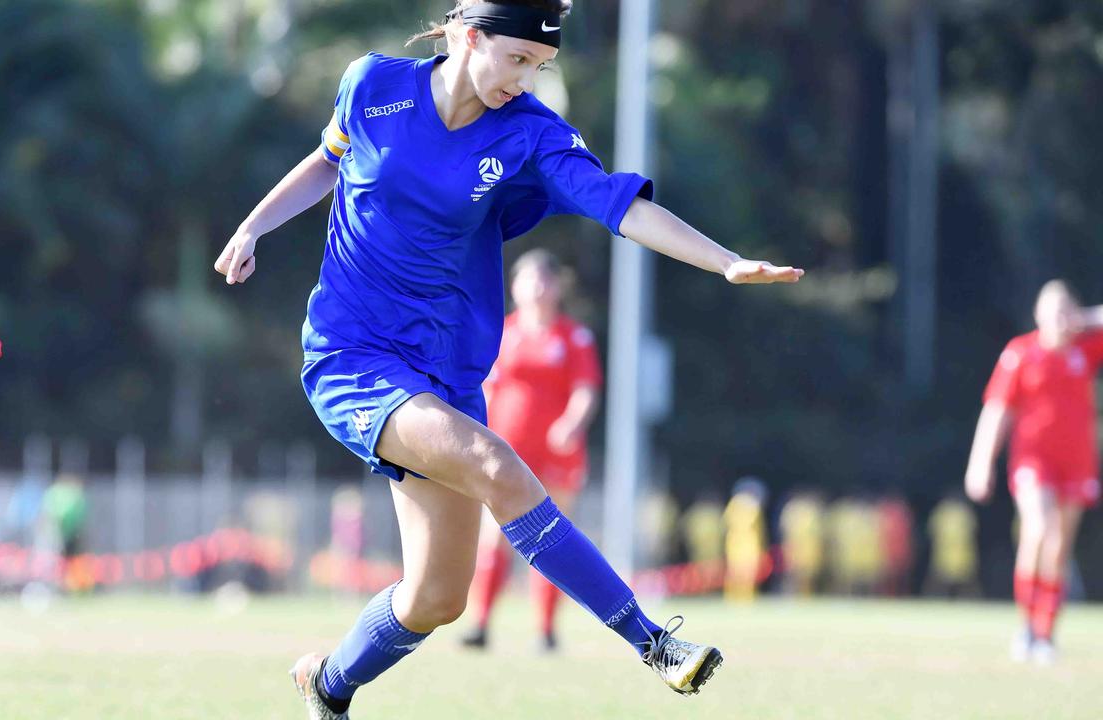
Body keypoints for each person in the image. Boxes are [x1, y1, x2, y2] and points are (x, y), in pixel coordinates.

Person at [214, 2, 802, 716]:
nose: (525, 80)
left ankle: (328, 685)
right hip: (352, 354)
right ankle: (655, 644)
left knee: (436, 599)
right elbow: (329, 162)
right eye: (517, 59)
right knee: (499, 466)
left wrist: (726, 261)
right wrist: (253, 225)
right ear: (469, 37)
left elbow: (617, 204)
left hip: (446, 376)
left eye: (541, 67)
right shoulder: (371, 84)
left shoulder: (529, 133)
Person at [458, 248, 602, 653]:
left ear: (557, 287)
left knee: (552, 540)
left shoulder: (573, 337)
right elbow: (484, 387)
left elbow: (585, 389)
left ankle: (546, 630)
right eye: (528, 279)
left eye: (544, 279)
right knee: (494, 537)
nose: (536, 288)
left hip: (558, 456)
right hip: (507, 452)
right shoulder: (502, 332)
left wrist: (571, 424)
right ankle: (480, 624)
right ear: (515, 287)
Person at [965, 279, 1103, 664]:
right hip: (1032, 462)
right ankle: (1026, 626)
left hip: (1077, 463)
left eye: (1065, 310)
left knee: (1059, 549)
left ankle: (1045, 633)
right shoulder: (1020, 353)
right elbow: (997, 411)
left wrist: (1085, 318)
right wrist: (980, 462)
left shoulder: (1085, 349)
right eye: (1052, 310)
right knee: (1039, 531)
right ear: (1037, 314)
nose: (1059, 318)